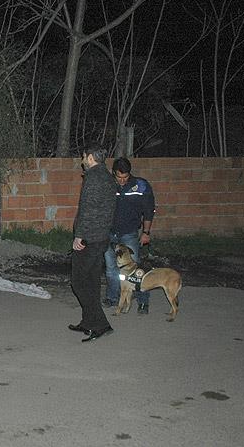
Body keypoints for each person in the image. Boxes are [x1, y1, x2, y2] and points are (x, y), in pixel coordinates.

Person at [67, 144, 118, 342]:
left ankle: (100, 324)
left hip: (89, 238)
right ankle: (88, 322)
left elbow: (88, 210)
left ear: (89, 157)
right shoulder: (107, 176)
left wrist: (79, 236)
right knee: (92, 282)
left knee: (79, 283)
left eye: (83, 157)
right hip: (101, 237)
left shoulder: (93, 178)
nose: (82, 160)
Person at [102, 157, 156, 314]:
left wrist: (146, 232)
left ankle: (142, 301)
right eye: (119, 177)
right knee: (111, 269)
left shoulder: (140, 185)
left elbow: (149, 210)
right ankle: (113, 297)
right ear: (114, 173)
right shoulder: (108, 185)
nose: (122, 180)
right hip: (110, 233)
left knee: (135, 269)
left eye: (125, 177)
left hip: (129, 233)